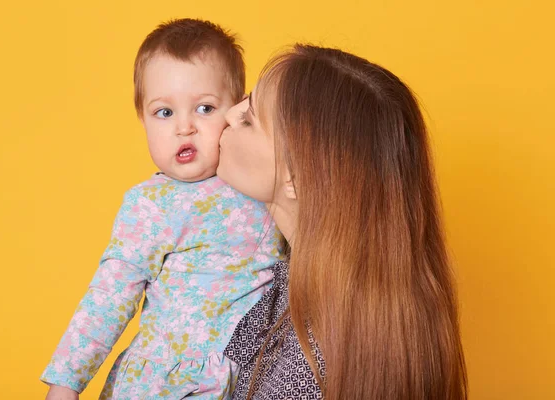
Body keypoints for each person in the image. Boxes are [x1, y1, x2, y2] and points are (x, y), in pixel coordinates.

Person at [41, 19, 283, 400]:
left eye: (205, 108)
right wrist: (66, 383)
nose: (184, 127)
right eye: (164, 113)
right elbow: (111, 294)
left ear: (236, 112)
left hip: (250, 376)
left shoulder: (259, 179)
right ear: (142, 120)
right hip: (168, 383)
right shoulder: (152, 204)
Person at [218, 44, 468, 399]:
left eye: (249, 118)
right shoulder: (357, 316)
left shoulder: (302, 373)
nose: (228, 115)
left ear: (297, 177)